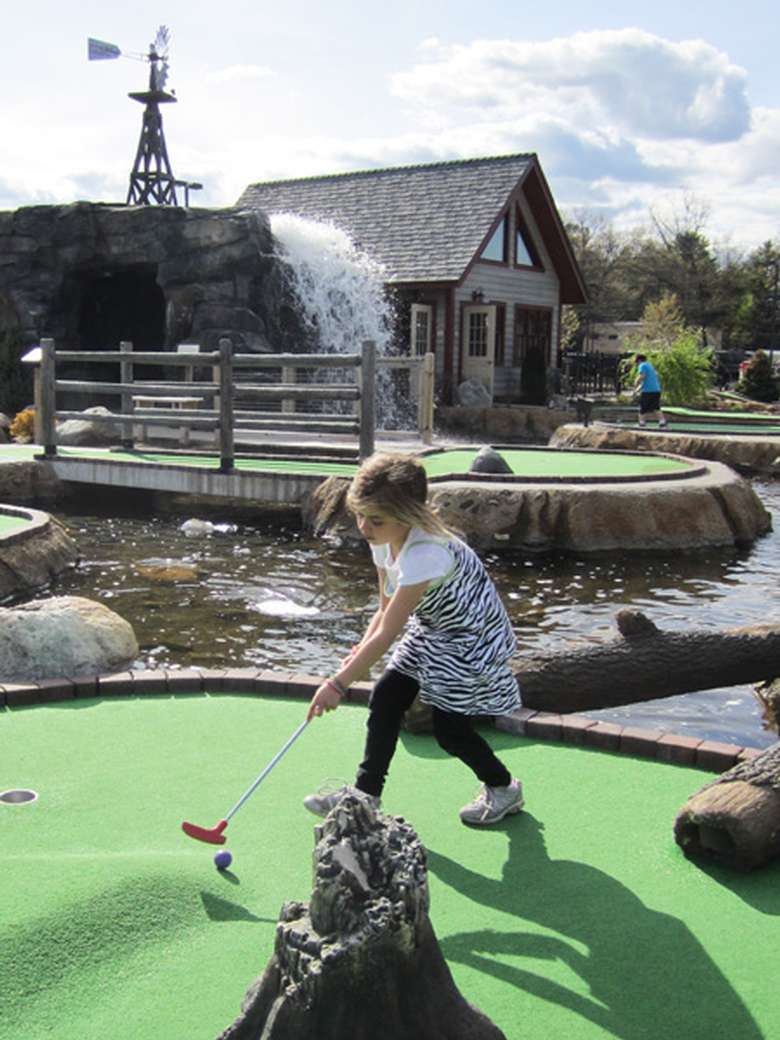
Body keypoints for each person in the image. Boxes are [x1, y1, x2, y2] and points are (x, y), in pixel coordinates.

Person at [304, 452, 524, 826]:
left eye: (375, 519)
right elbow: (384, 609)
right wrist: (361, 651)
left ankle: (503, 788)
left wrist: (337, 685)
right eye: (359, 515)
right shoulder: (382, 537)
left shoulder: (425, 554)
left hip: (470, 637)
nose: (364, 526)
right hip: (433, 626)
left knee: (450, 732)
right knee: (386, 696)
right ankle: (366, 795)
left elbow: (390, 632)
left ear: (406, 515)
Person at [633, 354, 667, 428]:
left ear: (639, 360)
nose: (636, 364)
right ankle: (662, 422)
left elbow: (642, 376)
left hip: (648, 391)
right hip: (656, 390)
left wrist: (636, 382)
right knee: (656, 407)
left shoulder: (642, 365)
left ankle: (641, 423)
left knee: (643, 407)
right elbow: (647, 381)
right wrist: (637, 390)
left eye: (636, 362)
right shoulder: (650, 366)